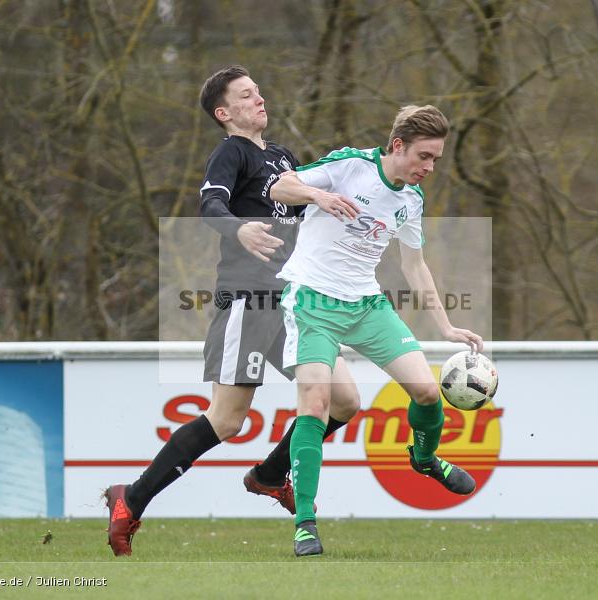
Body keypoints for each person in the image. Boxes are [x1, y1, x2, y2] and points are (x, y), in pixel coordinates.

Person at [104, 66, 361, 557]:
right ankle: (130, 501)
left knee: (344, 400)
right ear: (224, 113)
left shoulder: (283, 157)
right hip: (248, 298)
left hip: (292, 302)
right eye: (246, 95)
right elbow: (210, 205)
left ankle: (268, 474)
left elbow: (306, 213)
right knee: (226, 421)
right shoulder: (231, 151)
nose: (259, 99)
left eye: (259, 91)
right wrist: (239, 228)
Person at [270, 105, 485, 557]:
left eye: (436, 160)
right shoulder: (352, 166)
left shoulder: (410, 200)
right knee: (316, 405)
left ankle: (424, 460)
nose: (428, 168)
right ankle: (305, 522)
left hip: (366, 305)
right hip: (313, 301)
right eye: (423, 156)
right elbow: (280, 185)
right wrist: (317, 196)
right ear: (398, 145)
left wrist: (444, 325)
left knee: (427, 392)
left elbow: (414, 263)